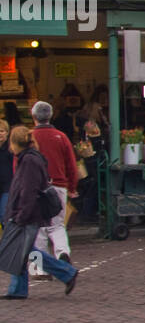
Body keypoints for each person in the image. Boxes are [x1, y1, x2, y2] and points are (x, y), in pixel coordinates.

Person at [0, 126, 79, 299]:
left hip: (27, 213)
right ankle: (18, 289)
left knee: (25, 248)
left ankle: (66, 272)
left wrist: (21, 215)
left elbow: (29, 190)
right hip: (26, 212)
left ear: (15, 143)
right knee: (22, 248)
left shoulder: (28, 161)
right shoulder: (29, 158)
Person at [28, 101, 78, 263]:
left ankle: (38, 267)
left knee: (37, 228)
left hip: (34, 187)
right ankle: (62, 252)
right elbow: (71, 165)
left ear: (33, 116)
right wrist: (72, 187)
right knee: (57, 225)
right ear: (50, 116)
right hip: (58, 186)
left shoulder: (29, 137)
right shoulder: (61, 137)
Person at [0, 119, 13, 223]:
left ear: (7, 133)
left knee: (4, 215)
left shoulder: (11, 148)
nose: (0, 134)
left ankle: (6, 238)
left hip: (8, 187)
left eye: (2, 131)